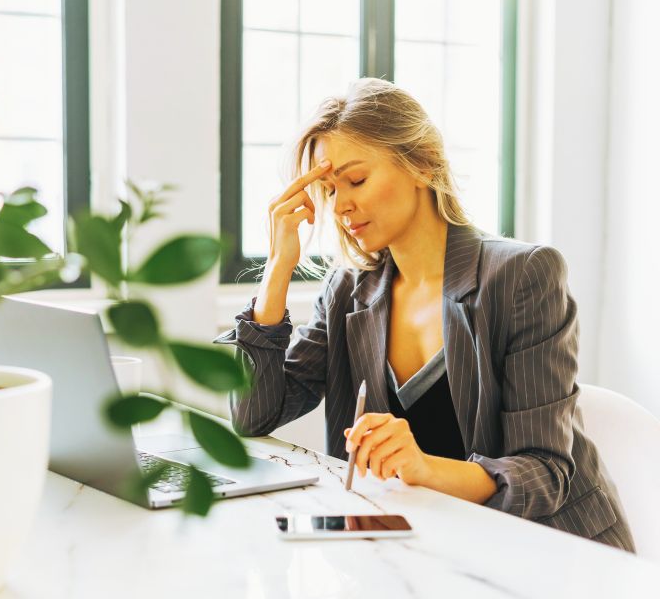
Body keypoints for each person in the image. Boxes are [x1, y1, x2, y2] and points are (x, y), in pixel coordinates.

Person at [214, 78, 634, 552]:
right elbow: (253, 417)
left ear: (422, 163)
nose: (342, 206)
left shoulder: (522, 276)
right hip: (430, 544)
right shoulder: (349, 291)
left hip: (552, 550)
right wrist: (276, 271)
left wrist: (424, 466)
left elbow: (544, 473)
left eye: (356, 180)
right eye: (329, 192)